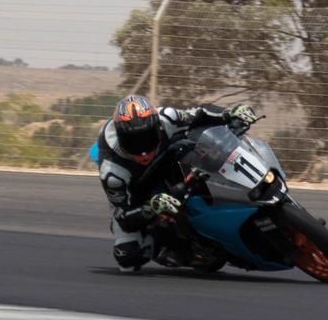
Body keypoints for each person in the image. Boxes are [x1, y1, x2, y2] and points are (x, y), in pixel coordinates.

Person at [96, 94, 257, 272]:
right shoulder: (112, 172)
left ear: (157, 126)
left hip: (166, 163)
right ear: (120, 138)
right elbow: (123, 217)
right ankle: (169, 247)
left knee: (192, 143)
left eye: (148, 138)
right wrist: (151, 208)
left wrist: (229, 113)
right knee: (128, 257)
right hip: (136, 190)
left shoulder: (167, 118)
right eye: (133, 143)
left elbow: (199, 113)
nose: (143, 153)